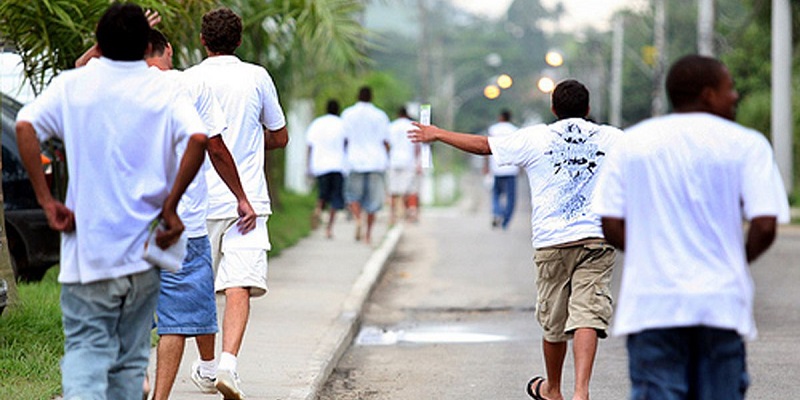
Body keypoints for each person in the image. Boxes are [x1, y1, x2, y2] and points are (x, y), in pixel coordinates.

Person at [15, 4, 207, 400]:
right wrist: (171, 207)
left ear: (99, 43)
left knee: (87, 350)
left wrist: (46, 200)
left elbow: (25, 125)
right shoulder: (165, 88)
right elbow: (198, 139)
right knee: (129, 362)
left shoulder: (74, 86)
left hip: (89, 254)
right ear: (146, 46)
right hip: (143, 257)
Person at [409, 79, 622, 400]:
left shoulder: (536, 137)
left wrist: (437, 133)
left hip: (553, 241)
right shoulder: (613, 138)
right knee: (587, 315)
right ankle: (581, 392)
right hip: (596, 238)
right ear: (588, 109)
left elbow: (484, 145)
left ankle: (552, 389)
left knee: (554, 322)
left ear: (553, 109)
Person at [592, 54, 790, 399]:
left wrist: (650, 256)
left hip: (653, 305)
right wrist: (732, 260)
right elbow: (765, 224)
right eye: (729, 88)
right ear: (707, 93)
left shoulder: (632, 143)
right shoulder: (746, 144)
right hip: (720, 304)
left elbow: (609, 221)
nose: (735, 96)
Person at [142, 29, 258, 400]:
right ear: (168, 50)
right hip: (180, 223)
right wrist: (242, 196)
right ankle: (159, 397)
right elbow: (215, 147)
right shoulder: (187, 86)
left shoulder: (112, 87)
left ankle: (137, 381)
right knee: (176, 317)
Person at [184, 7, 289, 399]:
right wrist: (246, 142)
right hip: (249, 201)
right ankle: (229, 364)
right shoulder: (257, 76)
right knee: (238, 285)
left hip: (199, 203)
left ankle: (209, 368)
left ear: (202, 40)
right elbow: (279, 136)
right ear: (240, 41)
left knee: (200, 288)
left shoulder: (188, 79)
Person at [340, 86, 391, 244]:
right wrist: (387, 158)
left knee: (352, 196)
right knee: (373, 202)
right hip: (376, 162)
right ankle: (368, 234)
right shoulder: (380, 115)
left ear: (358, 96)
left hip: (354, 160)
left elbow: (344, 139)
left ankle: (357, 219)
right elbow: (386, 141)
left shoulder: (347, 114)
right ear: (371, 97)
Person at [306, 99, 347, 238]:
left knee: (322, 194)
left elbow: (309, 146)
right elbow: (347, 143)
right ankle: (329, 228)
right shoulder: (342, 124)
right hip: (338, 165)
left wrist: (309, 166)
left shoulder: (317, 124)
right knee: (335, 199)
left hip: (320, 165)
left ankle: (318, 209)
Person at [486, 109, 519, 230]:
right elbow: (519, 150)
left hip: (497, 168)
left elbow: (486, 148)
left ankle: (497, 213)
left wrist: (486, 166)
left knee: (496, 194)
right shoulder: (515, 131)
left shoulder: (493, 129)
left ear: (500, 117)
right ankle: (506, 221)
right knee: (511, 197)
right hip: (511, 168)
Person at [387, 107, 421, 225]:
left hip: (394, 160)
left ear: (398, 114)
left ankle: (392, 215)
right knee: (410, 189)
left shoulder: (391, 126)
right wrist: (418, 162)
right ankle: (412, 213)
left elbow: (387, 144)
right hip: (409, 161)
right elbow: (417, 146)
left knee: (393, 190)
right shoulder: (412, 126)